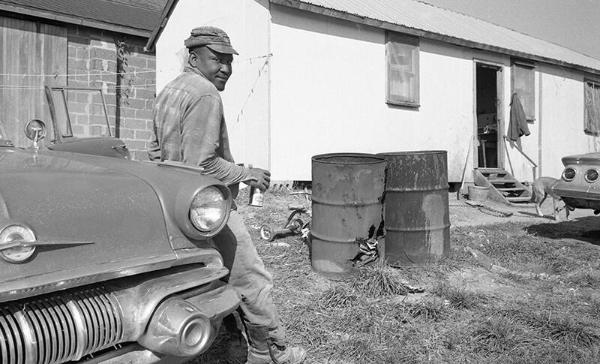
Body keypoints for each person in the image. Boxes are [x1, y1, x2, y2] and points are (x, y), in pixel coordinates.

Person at [148, 26, 306, 364]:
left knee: (202, 278)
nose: (226, 68)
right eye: (216, 59)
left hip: (171, 207)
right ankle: (272, 351)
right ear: (193, 58)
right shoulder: (205, 94)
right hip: (204, 205)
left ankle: (220, 341)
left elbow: (153, 153)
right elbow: (201, 163)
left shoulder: (168, 91)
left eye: (229, 61)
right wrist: (246, 174)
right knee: (251, 276)